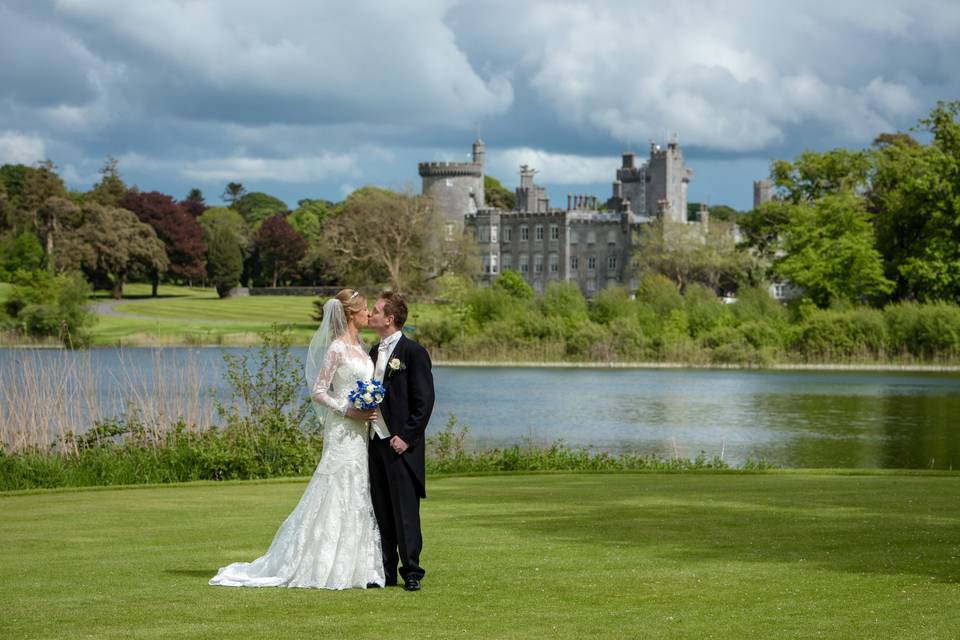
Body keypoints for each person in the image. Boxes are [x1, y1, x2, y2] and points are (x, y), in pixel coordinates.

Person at [209, 288, 385, 590]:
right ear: (351, 314)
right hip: (342, 428)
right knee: (334, 484)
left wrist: (369, 405)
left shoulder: (362, 347)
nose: (369, 313)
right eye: (365, 309)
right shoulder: (337, 349)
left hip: (361, 433)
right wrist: (347, 409)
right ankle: (320, 561)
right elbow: (318, 391)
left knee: (357, 487)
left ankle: (356, 567)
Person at [367, 290, 435, 591]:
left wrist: (405, 437)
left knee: (405, 511)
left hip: (400, 447)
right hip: (375, 442)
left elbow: (425, 402)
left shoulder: (413, 353)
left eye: (376, 310)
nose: (371, 313)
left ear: (389, 318)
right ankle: (385, 571)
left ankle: (411, 572)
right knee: (381, 509)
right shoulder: (373, 351)